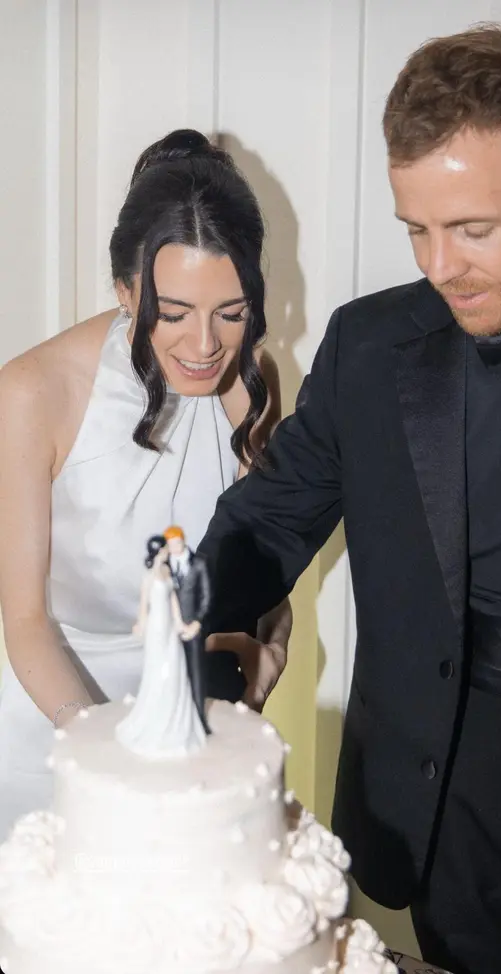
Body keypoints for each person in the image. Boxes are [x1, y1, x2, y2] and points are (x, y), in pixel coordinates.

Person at [196, 26, 501, 974]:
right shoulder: (371, 346)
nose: (437, 266)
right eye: (416, 229)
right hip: (447, 789)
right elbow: (269, 518)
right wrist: (196, 643)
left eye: (472, 229)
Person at [0, 129, 291, 840]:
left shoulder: (253, 384)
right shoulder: (32, 392)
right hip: (48, 728)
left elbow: (261, 568)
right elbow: (26, 622)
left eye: (232, 313)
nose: (205, 346)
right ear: (127, 291)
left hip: (193, 735)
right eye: (175, 313)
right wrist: (108, 758)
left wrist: (267, 648)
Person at [115, 534, 207, 757]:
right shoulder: (149, 576)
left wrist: (179, 623)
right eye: (165, 549)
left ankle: (175, 717)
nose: (168, 552)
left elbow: (173, 600)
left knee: (175, 666)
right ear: (159, 552)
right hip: (156, 626)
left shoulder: (167, 572)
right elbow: (144, 605)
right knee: (159, 668)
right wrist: (141, 624)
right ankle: (156, 715)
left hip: (169, 627)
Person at [164, 523, 212, 734]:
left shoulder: (198, 564)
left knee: (195, 672)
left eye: (177, 543)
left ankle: (199, 718)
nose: (174, 547)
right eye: (170, 544)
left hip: (192, 627)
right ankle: (175, 718)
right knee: (174, 672)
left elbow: (206, 597)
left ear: (182, 541)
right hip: (170, 628)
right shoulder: (164, 566)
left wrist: (197, 622)